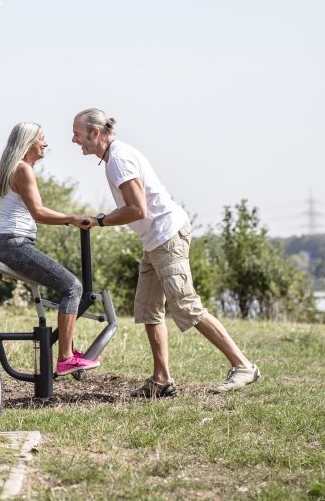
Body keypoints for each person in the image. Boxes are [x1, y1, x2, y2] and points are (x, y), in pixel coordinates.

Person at [72, 108, 261, 396]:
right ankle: (161, 380)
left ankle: (243, 365)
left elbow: (137, 209)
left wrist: (99, 221)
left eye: (77, 134)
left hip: (166, 237)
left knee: (186, 305)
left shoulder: (118, 160)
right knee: (148, 307)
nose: (74, 140)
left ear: (95, 133)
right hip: (155, 240)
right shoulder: (115, 156)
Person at [0, 122, 100, 377]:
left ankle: (67, 353)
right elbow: (38, 213)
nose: (46, 144)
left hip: (12, 244)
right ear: (28, 142)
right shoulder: (22, 169)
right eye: (42, 138)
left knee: (70, 287)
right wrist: (72, 217)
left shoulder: (16, 168)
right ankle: (65, 358)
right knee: (73, 287)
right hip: (15, 244)